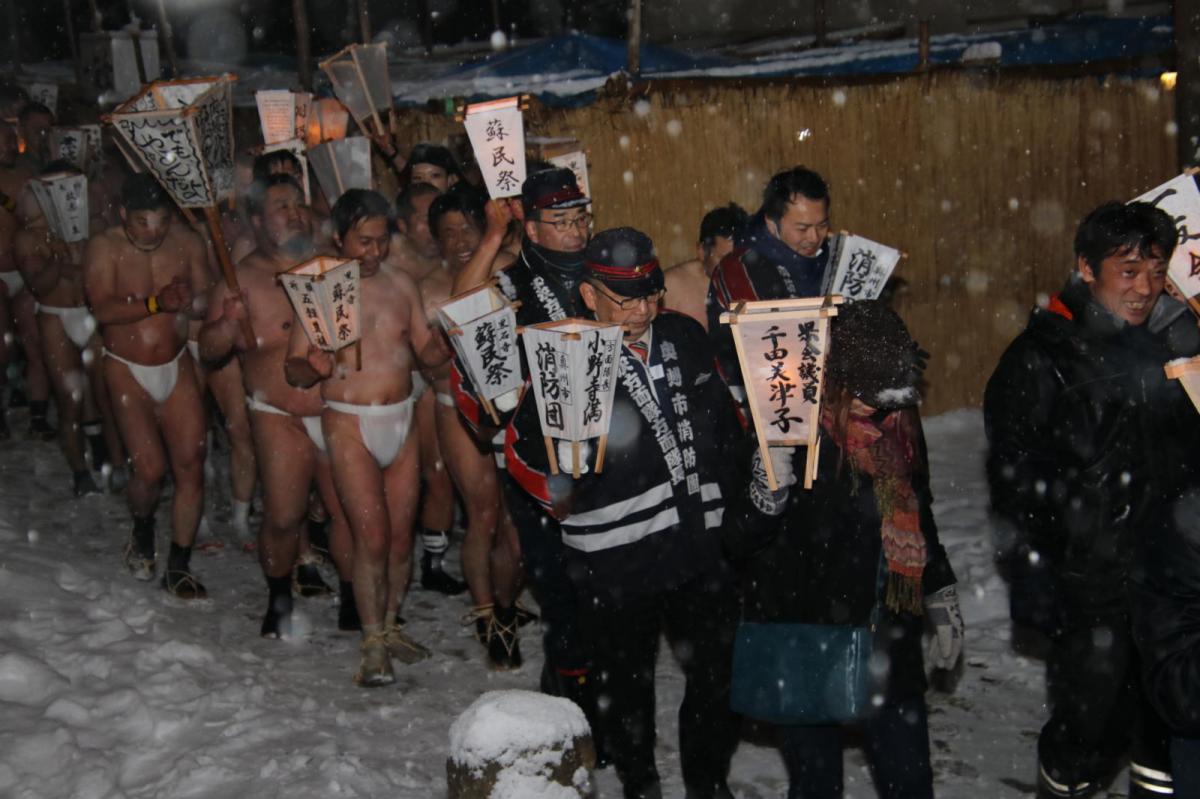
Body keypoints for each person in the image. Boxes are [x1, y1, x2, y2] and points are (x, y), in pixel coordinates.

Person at [506, 227, 752, 798]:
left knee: (717, 674)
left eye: (651, 293)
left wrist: (743, 514)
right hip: (615, 559)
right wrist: (559, 483)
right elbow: (521, 455)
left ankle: (707, 783)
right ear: (589, 294)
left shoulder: (683, 336)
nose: (642, 310)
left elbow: (723, 426)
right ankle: (641, 784)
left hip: (697, 545)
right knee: (626, 683)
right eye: (626, 298)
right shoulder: (562, 357)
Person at [985, 200, 1197, 798]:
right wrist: (1037, 587)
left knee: (1168, 731)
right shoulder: (1041, 359)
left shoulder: (1172, 347)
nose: (1145, 288)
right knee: (1091, 731)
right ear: (1086, 268)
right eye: (1127, 271)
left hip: (1172, 583)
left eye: (1156, 271)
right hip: (1091, 588)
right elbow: (1015, 489)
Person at [725, 300, 961, 799]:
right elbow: (737, 540)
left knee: (910, 780)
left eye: (889, 398)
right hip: (808, 635)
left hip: (887, 636)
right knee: (815, 784)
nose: (879, 410)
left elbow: (920, 511)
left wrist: (939, 589)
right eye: (866, 396)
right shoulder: (788, 430)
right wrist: (767, 496)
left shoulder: (898, 429)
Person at [450, 167, 604, 730]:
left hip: (607, 450)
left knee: (603, 584)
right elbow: (464, 309)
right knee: (559, 585)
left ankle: (593, 693)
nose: (574, 231)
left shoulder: (603, 268)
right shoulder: (515, 281)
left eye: (579, 218)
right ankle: (574, 700)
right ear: (533, 229)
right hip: (539, 453)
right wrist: (493, 235)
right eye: (559, 222)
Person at [285, 189, 448, 686]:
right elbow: (293, 371)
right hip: (348, 420)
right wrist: (309, 367)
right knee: (371, 537)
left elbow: (427, 353)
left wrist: (454, 341)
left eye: (381, 241)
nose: (374, 252)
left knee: (401, 540)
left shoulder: (402, 285)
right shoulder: (321, 290)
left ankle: (392, 624)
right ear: (338, 238)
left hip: (400, 416)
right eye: (363, 242)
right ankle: (372, 639)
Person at [200, 174, 355, 638]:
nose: (293, 213)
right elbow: (209, 350)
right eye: (280, 205)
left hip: (334, 409)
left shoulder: (332, 266)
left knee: (344, 510)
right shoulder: (241, 279)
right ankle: (279, 597)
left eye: (298, 204)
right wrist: (228, 325)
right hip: (277, 413)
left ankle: (353, 595)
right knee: (285, 516)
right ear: (257, 220)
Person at [83, 174, 212, 598]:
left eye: (160, 220)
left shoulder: (187, 242)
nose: (152, 231)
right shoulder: (105, 247)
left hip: (176, 362)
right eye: (142, 221)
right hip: (126, 366)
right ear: (124, 215)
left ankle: (179, 565)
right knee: (151, 470)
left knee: (191, 464)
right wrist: (156, 302)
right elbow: (101, 307)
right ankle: (142, 526)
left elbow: (202, 302)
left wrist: (191, 298)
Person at [426, 188, 524, 667]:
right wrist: (445, 342)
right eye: (448, 234)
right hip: (458, 407)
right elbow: (421, 358)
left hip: (512, 406)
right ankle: (487, 613)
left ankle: (505, 599)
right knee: (483, 512)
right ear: (435, 242)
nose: (460, 241)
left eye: (467, 228)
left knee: (514, 516)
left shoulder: (510, 265)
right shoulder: (428, 286)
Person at [14, 163, 124, 495]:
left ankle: (116, 464)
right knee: (69, 399)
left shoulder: (94, 226)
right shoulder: (29, 236)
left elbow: (104, 276)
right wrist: (59, 261)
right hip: (56, 315)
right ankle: (80, 472)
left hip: (89, 314)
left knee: (105, 393)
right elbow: (39, 285)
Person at [708, 167, 832, 407]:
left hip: (818, 389)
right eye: (802, 228)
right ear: (771, 223)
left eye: (822, 225)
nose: (815, 237)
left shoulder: (828, 254)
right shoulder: (741, 267)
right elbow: (772, 348)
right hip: (764, 404)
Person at [0, 121, 54, 440]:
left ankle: (37, 414)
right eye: (3, 141)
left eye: (11, 140)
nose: (9, 146)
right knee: (1, 345)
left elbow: (35, 217)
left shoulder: (26, 176)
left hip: (26, 269)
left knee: (37, 344)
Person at [663, 203, 748, 330]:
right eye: (724, 259)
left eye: (741, 259)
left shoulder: (756, 281)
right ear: (702, 251)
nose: (733, 267)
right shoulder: (671, 286)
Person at [16, 102, 54, 169]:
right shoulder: (18, 166)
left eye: (47, 131)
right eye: (38, 130)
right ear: (21, 130)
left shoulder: (58, 160)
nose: (44, 135)